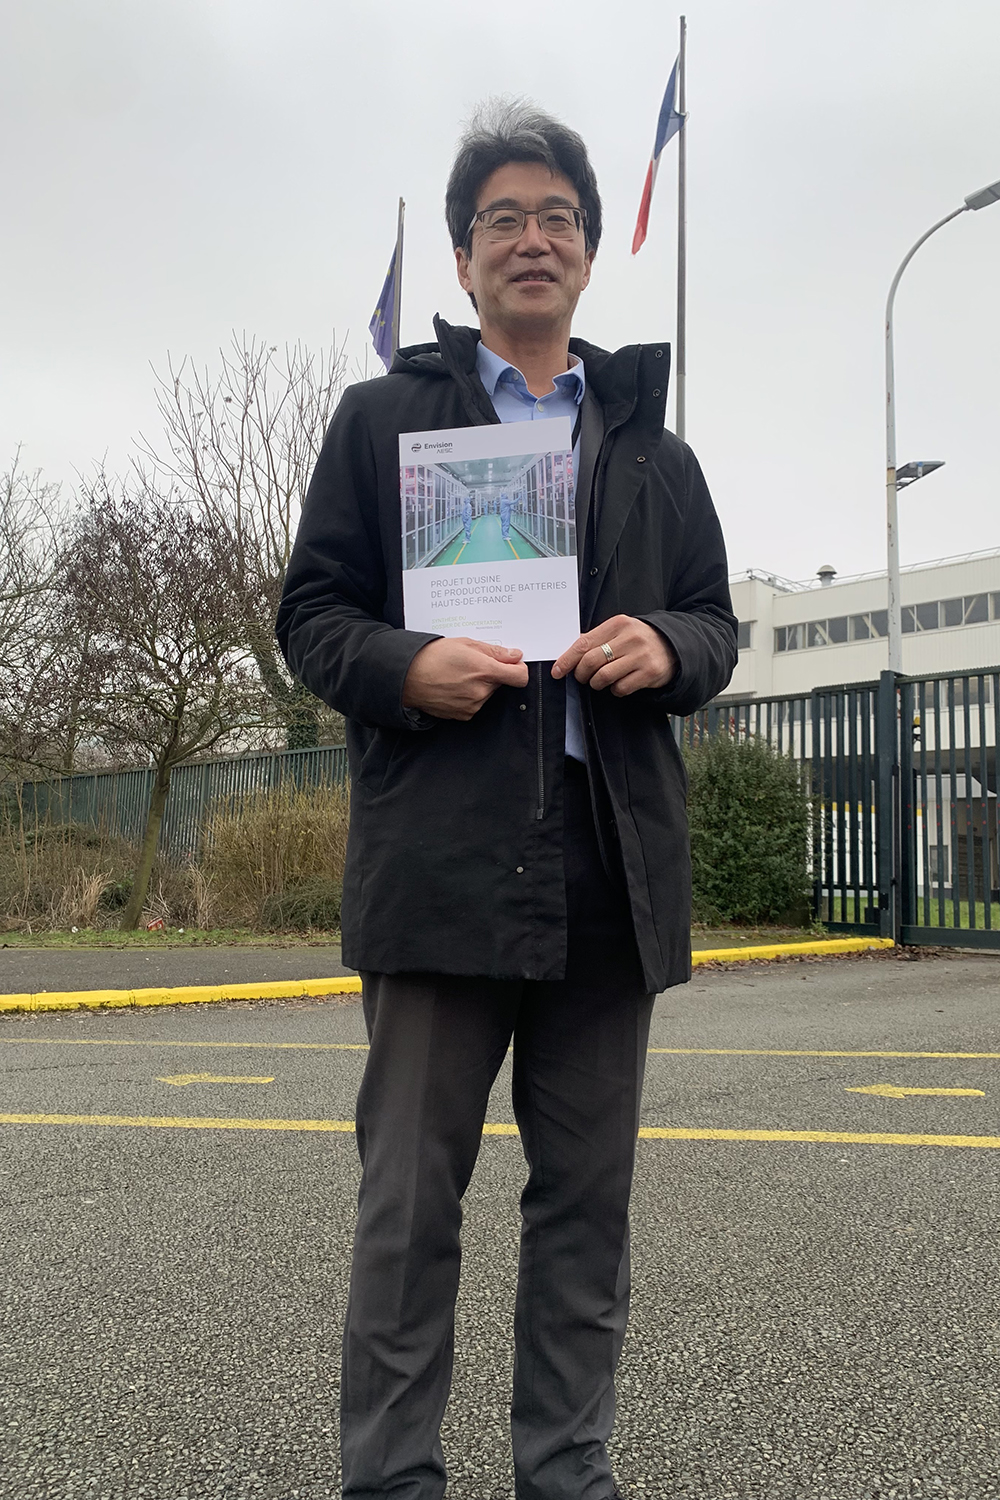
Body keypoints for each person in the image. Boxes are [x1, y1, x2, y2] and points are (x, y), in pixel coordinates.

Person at [277, 99, 737, 1500]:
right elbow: (313, 616)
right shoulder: (384, 422)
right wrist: (409, 666)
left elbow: (714, 624)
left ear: (589, 256)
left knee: (586, 1213)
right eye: (501, 221)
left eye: (557, 219)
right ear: (467, 262)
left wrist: (669, 647)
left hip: (609, 868)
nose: (530, 241)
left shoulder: (654, 446)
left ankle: (565, 1474)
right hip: (442, 868)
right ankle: (392, 1480)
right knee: (409, 1210)